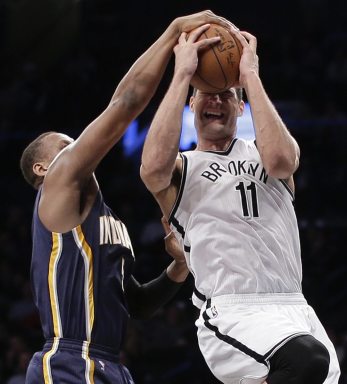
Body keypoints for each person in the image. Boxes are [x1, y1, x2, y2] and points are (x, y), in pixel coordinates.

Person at [19, 11, 231, 384]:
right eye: (68, 145)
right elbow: (126, 102)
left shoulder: (106, 222)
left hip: (109, 365)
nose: (78, 148)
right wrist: (171, 36)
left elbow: (134, 304)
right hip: (69, 360)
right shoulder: (57, 186)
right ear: (42, 169)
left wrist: (177, 269)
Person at [140, 25, 341, 384]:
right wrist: (183, 73)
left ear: (241, 105)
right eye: (206, 94)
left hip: (294, 306)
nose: (216, 100)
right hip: (233, 309)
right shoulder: (182, 167)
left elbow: (282, 161)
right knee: (307, 361)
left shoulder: (266, 153)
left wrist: (249, 75)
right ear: (191, 103)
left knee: (319, 366)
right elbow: (152, 168)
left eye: (227, 95)